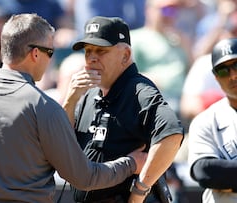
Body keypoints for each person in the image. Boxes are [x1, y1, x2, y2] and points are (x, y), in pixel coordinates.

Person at [0, 13, 148, 203]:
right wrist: (130, 163)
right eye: (50, 52)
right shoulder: (42, 106)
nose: (50, 60)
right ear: (35, 54)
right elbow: (84, 178)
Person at [62, 16, 184, 203]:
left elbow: (172, 134)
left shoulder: (139, 91)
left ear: (125, 55)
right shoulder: (88, 93)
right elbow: (62, 146)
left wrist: (140, 191)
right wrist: (70, 101)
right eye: (88, 51)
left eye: (100, 51)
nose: (91, 58)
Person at [188, 38, 237, 203]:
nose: (233, 75)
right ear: (216, 78)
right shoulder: (206, 120)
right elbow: (205, 171)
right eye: (223, 70)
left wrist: (228, 178)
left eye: (236, 65)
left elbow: (218, 172)